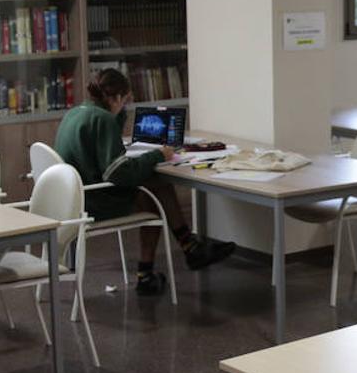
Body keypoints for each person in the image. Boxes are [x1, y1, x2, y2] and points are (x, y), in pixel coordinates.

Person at [54, 69, 234, 295]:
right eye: (125, 100)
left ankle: (181, 252)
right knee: (153, 195)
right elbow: (117, 173)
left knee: (154, 185)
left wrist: (118, 114)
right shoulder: (102, 119)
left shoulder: (77, 112)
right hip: (94, 203)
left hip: (72, 198)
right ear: (118, 97)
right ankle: (177, 254)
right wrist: (158, 155)